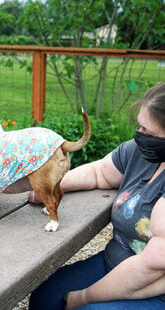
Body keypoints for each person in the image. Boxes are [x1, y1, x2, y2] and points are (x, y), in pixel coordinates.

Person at [28, 83, 165, 309]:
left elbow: (153, 265)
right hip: (118, 260)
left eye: (149, 133)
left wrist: (84, 297)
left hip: (153, 286)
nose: (140, 136)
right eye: (139, 127)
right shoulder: (141, 152)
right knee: (45, 298)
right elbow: (99, 172)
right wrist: (50, 187)